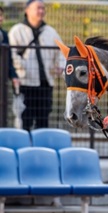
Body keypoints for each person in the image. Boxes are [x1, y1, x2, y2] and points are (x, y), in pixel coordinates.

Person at [8, 0, 65, 131]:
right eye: (38, 8)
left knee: (43, 120)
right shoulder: (17, 31)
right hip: (25, 83)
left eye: (43, 8)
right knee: (24, 120)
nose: (41, 11)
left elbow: (61, 52)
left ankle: (41, 149)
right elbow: (11, 54)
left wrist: (60, 66)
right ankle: (24, 148)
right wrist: (21, 67)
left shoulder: (50, 31)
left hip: (46, 83)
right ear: (27, 10)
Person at [0, 6, 20, 90]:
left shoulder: (4, 35)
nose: (1, 18)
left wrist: (13, 76)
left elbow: (8, 59)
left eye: (1, 15)